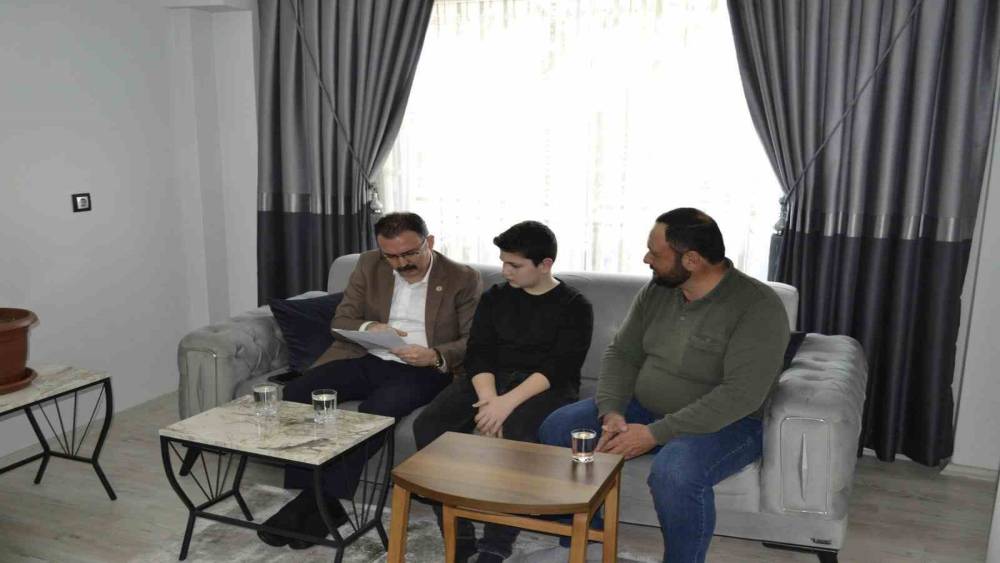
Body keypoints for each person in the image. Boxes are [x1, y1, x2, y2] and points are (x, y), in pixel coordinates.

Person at [538, 208, 790, 563]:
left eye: (655, 253)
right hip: (644, 407)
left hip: (728, 423)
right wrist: (611, 411)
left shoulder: (757, 307)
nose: (647, 259)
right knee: (559, 428)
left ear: (692, 260)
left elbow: (740, 396)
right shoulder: (658, 291)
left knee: (675, 472)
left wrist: (654, 434)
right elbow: (622, 353)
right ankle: (585, 543)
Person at [258, 211, 483, 550]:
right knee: (297, 393)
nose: (401, 263)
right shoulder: (369, 264)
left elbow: (473, 340)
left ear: (430, 242)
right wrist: (369, 327)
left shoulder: (462, 278)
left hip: (424, 369)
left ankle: (313, 502)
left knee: (377, 410)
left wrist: (435, 354)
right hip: (369, 356)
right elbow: (342, 319)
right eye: (391, 256)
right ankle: (319, 501)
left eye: (410, 253)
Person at [413, 220, 594, 563]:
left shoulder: (575, 305)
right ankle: (458, 533)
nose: (505, 270)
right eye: (503, 262)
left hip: (544, 385)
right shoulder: (495, 297)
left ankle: (496, 545)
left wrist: (504, 406)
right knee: (428, 425)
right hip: (488, 379)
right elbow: (479, 352)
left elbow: (559, 367)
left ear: (545, 264)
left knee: (518, 434)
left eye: (515, 265)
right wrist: (488, 401)